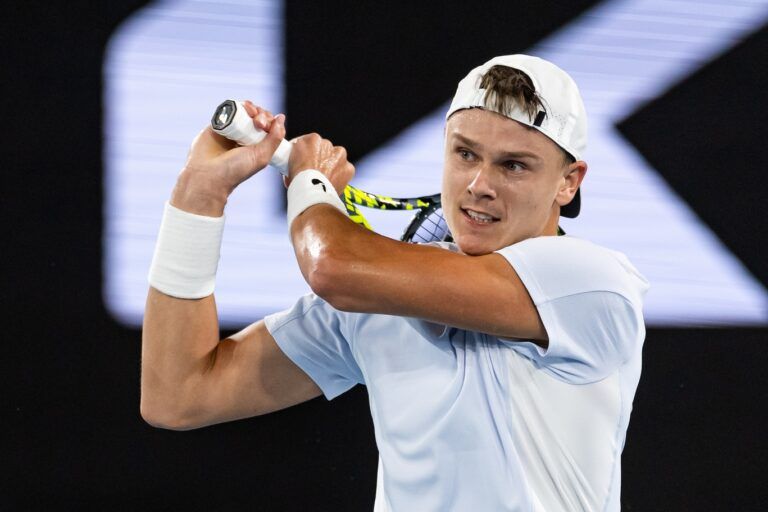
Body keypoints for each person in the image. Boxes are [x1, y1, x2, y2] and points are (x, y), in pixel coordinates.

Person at [141, 54, 649, 511]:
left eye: (513, 165)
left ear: (568, 182)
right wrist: (199, 193)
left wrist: (309, 181)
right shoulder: (376, 302)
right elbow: (178, 395)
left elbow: (331, 266)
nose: (479, 185)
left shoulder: (593, 284)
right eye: (465, 154)